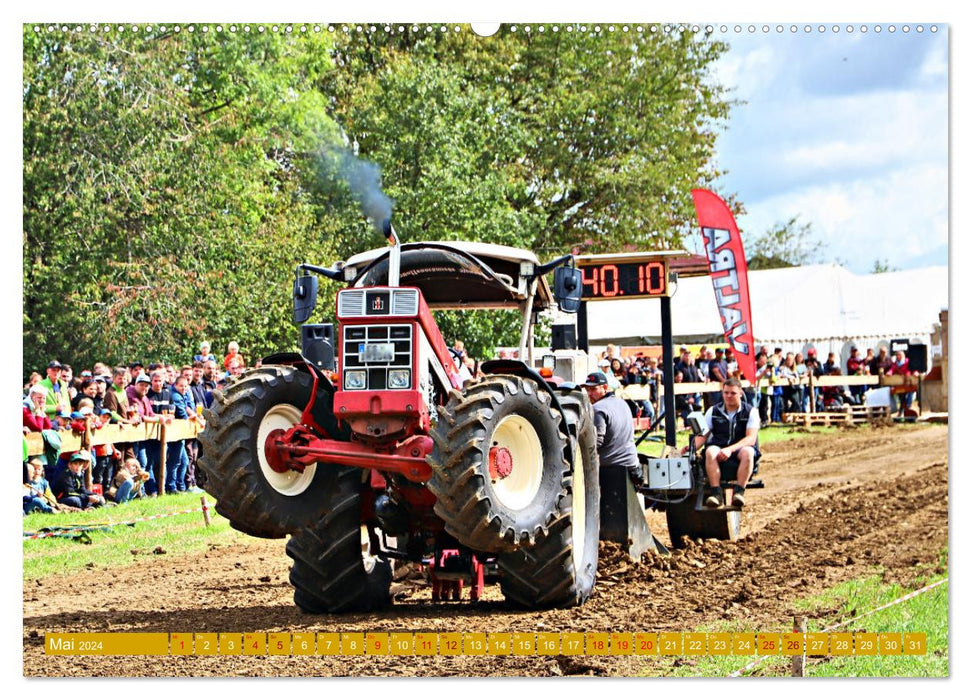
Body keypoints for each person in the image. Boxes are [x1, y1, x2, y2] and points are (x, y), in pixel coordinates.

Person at [685, 378, 760, 508]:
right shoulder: (713, 411)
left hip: (740, 448)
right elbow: (703, 436)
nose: (729, 396)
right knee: (710, 451)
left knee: (748, 452)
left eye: (733, 393)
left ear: (740, 393)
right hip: (719, 446)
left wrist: (730, 449)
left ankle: (739, 492)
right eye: (726, 393)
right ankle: (716, 494)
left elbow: (751, 438)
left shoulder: (751, 411)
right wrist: (690, 448)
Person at [582, 371, 642, 486]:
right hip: (632, 464)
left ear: (605, 387)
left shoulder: (597, 409)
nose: (589, 393)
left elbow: (596, 442)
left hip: (611, 468)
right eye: (587, 389)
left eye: (593, 389)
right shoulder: (622, 403)